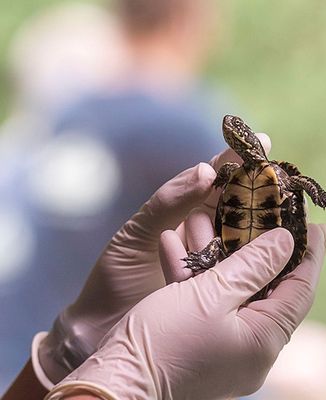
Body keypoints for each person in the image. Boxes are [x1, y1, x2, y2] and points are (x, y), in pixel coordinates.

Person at [0, 0, 227, 387]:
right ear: (192, 16)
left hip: (24, 366)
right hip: (68, 375)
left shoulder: (68, 112)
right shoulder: (179, 123)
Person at [2, 134, 326, 399]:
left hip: (263, 231)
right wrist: (127, 380)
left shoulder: (281, 178)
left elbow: (299, 183)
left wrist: (71, 358)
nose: (232, 132)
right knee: (215, 251)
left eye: (239, 135)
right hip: (234, 236)